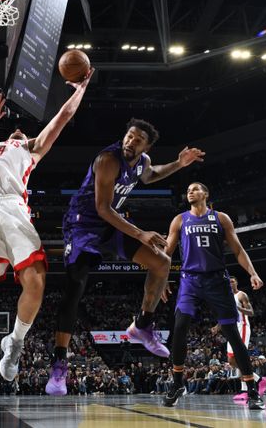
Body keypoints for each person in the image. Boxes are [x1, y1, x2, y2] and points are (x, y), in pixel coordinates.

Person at [0, 74, 91, 393]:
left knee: (36, 279)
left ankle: (13, 343)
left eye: (20, 131)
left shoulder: (32, 148)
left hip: (14, 206)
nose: (17, 130)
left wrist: (81, 90)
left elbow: (63, 117)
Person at [45, 119, 204, 395]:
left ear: (146, 146)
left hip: (111, 224)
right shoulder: (108, 159)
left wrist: (179, 163)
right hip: (83, 223)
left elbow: (151, 174)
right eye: (129, 136)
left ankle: (142, 326)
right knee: (76, 285)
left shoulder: (142, 161)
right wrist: (141, 233)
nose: (131, 142)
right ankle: (59, 362)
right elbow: (103, 208)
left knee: (162, 262)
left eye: (138, 140)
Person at [160, 182, 265, 410]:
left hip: (217, 280)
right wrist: (161, 280)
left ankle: (252, 390)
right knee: (179, 327)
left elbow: (237, 249)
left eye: (195, 189)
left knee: (232, 335)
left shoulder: (221, 218)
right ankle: (177, 382)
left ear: (206, 194)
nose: (190, 191)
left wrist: (253, 272)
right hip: (190, 280)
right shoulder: (179, 220)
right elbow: (166, 253)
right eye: (187, 189)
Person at [221, 276, 266, 401]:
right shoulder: (226, 297)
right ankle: (259, 379)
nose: (230, 283)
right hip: (232, 328)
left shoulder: (241, 295)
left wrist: (238, 308)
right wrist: (217, 326)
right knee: (231, 361)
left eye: (232, 281)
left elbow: (251, 312)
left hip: (243, 326)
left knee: (240, 357)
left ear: (236, 282)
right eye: (228, 281)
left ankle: (245, 390)